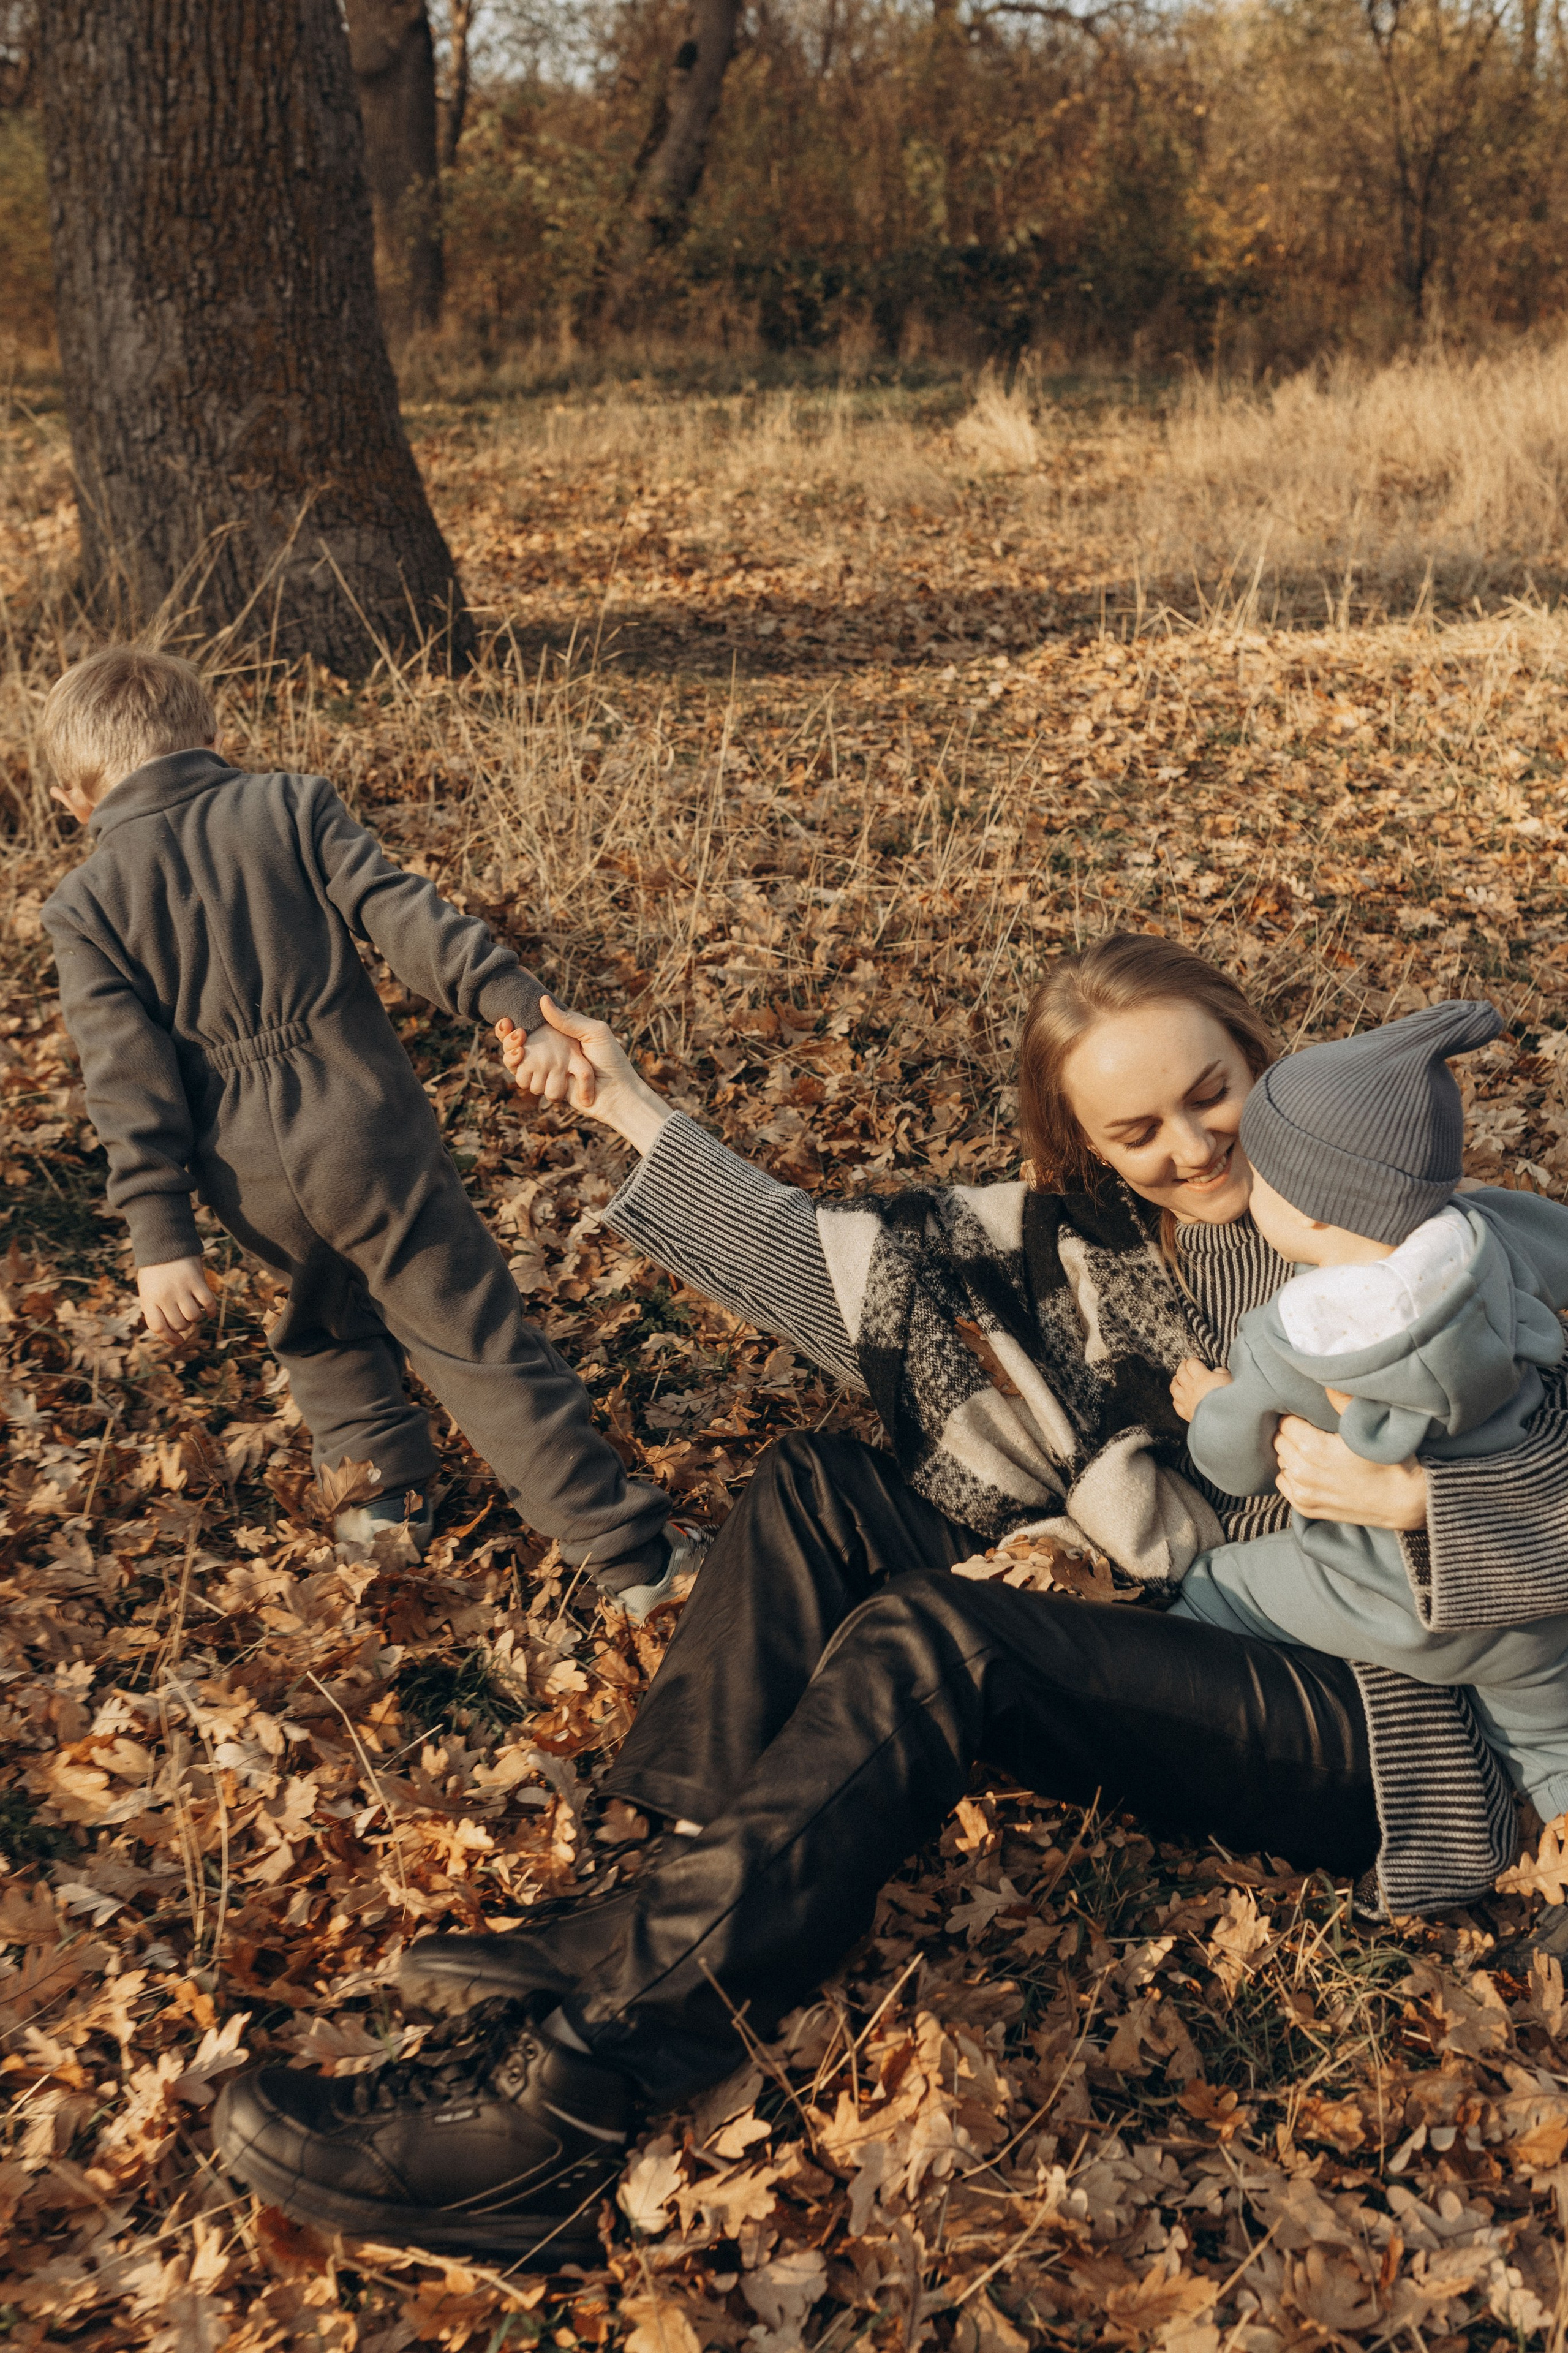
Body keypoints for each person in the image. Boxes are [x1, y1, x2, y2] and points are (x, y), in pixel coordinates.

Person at [215, 934, 1568, 2260]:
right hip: (1188, 1598)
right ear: (1084, 1146)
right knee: (816, 1484)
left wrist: (1419, 1500)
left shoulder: (1414, 1225)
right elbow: (837, 1269)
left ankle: (562, 2107)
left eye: (1212, 1094)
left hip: (1394, 1703)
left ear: (1257, 1056)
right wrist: (625, 1105)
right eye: (1138, 1129)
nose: (1193, 1145)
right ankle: (657, 1895)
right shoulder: (1081, 1246)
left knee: (940, 1642)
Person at [39, 646, 689, 1614]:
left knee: (325, 1328)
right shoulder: (288, 806)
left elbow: (123, 1078)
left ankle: (382, 1505)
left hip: (248, 1185)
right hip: (369, 1141)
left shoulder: (84, 904)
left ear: (72, 799)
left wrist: (160, 1235)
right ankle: (634, 1557)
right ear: (212, 736)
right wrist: (517, 1003)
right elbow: (408, 919)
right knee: (473, 1340)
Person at [1170, 998, 1568, 1826]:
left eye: (1262, 1177)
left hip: (1394, 1593)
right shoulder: (1490, 1236)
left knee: (1216, 1585)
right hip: (1527, 1586)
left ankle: (1171, 1729)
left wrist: (1210, 1407)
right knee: (1551, 1738)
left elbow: (1237, 1464)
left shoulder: (1297, 1335)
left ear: (1315, 1207)